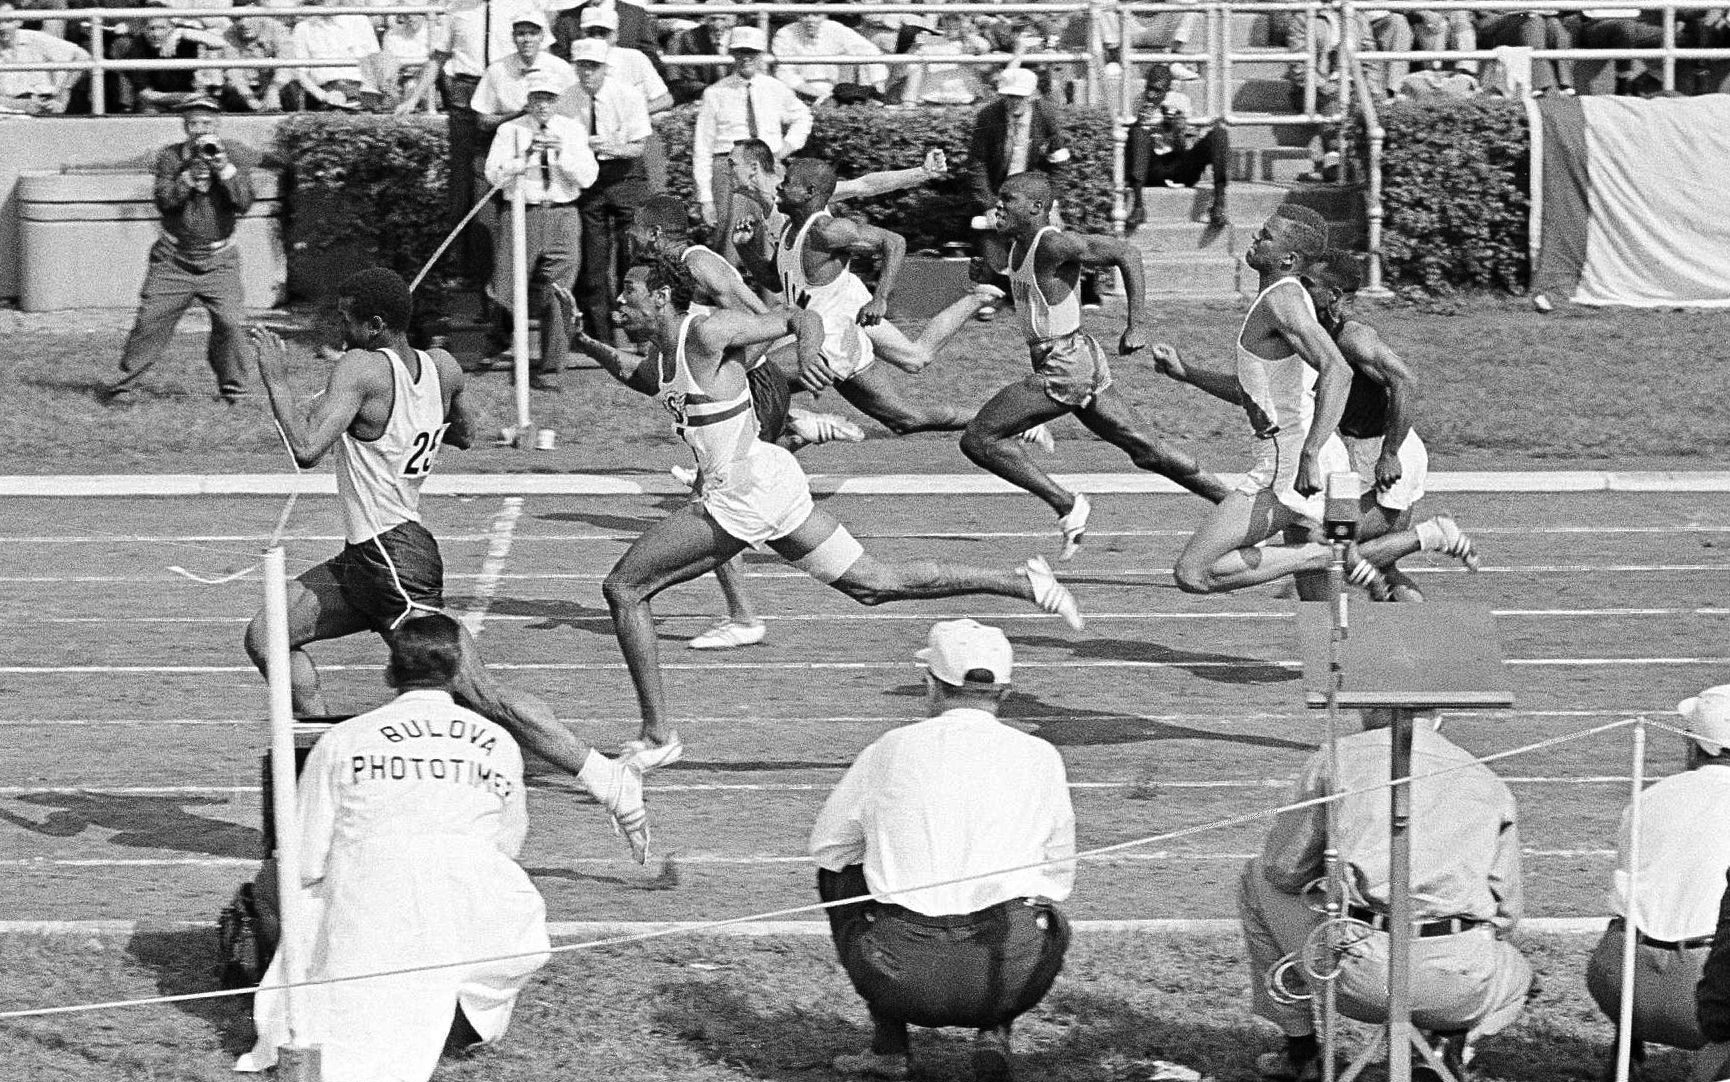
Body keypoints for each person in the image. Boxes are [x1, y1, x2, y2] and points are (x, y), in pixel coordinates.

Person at [593, 260, 1083, 768]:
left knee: (625, 588)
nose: (619, 301)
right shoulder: (665, 352)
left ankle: (657, 737)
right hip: (765, 479)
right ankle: (1023, 582)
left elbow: (800, 319)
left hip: (745, 493)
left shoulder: (710, 329)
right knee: (874, 584)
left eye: (629, 290)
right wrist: (585, 341)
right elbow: (642, 377)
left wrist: (806, 359)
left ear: (662, 296)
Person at [241, 267, 648, 858]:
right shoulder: (445, 366)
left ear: (377, 325)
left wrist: (276, 381)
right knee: (268, 635)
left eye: (350, 321)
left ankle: (608, 780)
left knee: (478, 692)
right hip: (371, 553)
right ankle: (323, 775)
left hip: (392, 558)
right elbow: (466, 435)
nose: (342, 332)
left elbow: (305, 449)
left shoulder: (359, 368)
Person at [236, 615, 552, 1082]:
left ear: (390, 672)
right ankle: (449, 1022)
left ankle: (355, 1009)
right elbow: (509, 841)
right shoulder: (499, 742)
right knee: (502, 916)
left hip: (371, 904)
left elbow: (304, 856)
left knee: (286, 884)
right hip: (472, 904)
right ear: (456, 671)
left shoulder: (343, 738)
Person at [1152, 206, 1473, 595]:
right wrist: (1186, 372)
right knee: (1318, 599)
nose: (1255, 238)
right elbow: (1254, 394)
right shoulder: (1285, 301)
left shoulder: (1283, 299)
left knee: (1194, 571)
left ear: (1287, 258)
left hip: (1290, 462)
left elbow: (1338, 370)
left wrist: (1309, 453)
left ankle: (1332, 554)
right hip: (1305, 456)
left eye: (1265, 236)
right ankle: (1345, 630)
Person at [810, 619, 1075, 1082]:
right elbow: (1058, 877)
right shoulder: (1041, 755)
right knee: (1039, 908)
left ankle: (889, 1048)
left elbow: (830, 848)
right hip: (1008, 981)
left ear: (930, 684)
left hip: (901, 977)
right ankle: (994, 1036)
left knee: (839, 875)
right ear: (1006, 693)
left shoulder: (891, 747)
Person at [1240, 708, 1531, 1082]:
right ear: (1439, 713)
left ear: (1364, 708)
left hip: (1357, 975)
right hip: (1459, 984)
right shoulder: (1487, 780)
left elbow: (1282, 870)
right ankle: (1444, 1048)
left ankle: (1302, 1051)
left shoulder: (1337, 759)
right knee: (1518, 975)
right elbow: (1507, 915)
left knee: (1255, 878)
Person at [958, 172, 1229, 560]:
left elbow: (1126, 254)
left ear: (1036, 208)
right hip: (1078, 356)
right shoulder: (1018, 246)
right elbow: (1040, 296)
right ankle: (1235, 503)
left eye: (1008, 198)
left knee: (979, 439)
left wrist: (1137, 324)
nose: (999, 205)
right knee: (1146, 449)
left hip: (1065, 364)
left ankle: (1067, 505)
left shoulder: (1052, 243)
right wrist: (994, 279)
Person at [732, 155, 1006, 439]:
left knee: (747, 377)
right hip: (829, 338)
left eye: (787, 183)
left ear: (810, 192)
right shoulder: (791, 229)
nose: (779, 187)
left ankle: (804, 428)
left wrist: (880, 298)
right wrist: (747, 248)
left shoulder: (825, 230)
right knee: (907, 419)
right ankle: (1010, 422)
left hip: (832, 341)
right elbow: (773, 280)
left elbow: (894, 242)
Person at [1294, 248, 1456, 602]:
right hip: (1359, 455)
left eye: (1307, 284)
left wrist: (1390, 454)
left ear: (1333, 295)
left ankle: (1431, 534)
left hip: (1389, 455)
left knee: (1331, 545)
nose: (1298, 290)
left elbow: (1406, 381)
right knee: (1376, 564)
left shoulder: (1354, 336)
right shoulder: (1316, 336)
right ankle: (1415, 637)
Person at [1586, 685, 1730, 1074]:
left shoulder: (1649, 797)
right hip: (1703, 997)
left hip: (1620, 984)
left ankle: (1624, 1055)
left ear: (1699, 744)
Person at [101, 98, 253, 406]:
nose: (200, 131)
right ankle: (123, 387)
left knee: (231, 323)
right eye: (194, 123)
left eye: (206, 124)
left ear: (218, 124)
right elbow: (165, 201)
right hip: (173, 259)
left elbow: (244, 202)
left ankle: (233, 390)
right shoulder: (171, 156)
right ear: (184, 125)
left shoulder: (233, 152)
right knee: (150, 320)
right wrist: (187, 178)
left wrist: (223, 168)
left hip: (218, 260)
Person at [397, 0, 541, 283]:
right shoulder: (457, 10)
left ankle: (519, 268)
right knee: (465, 186)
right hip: (467, 93)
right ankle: (468, 272)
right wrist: (413, 99)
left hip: (507, 90)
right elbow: (438, 58)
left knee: (516, 175)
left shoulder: (521, 5)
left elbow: (539, 52)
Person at [482, 68, 596, 390]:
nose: (543, 105)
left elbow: (587, 178)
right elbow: (494, 176)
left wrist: (561, 154)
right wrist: (525, 156)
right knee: (505, 285)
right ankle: (497, 344)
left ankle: (551, 368)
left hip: (562, 214)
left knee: (559, 293)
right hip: (521, 213)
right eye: (537, 98)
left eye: (549, 98)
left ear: (557, 100)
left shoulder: (572, 129)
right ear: (529, 101)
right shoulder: (509, 131)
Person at [691, 26, 811, 256]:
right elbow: (702, 148)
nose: (746, 58)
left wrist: (783, 150)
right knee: (730, 239)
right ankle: (728, 287)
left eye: (752, 52)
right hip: (729, 168)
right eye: (740, 51)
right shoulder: (715, 93)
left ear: (761, 54)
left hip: (766, 166)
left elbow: (803, 116)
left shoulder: (775, 88)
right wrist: (705, 199)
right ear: (732, 54)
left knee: (774, 237)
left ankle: (774, 290)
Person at [567, 36, 651, 342]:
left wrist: (610, 146)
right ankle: (601, 338)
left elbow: (638, 146)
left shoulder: (627, 95)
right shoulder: (568, 97)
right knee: (593, 263)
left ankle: (642, 335)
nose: (587, 72)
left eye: (594, 66)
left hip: (626, 178)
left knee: (634, 260)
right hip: (589, 181)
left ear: (605, 67)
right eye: (582, 66)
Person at [1124, 63, 1230, 229]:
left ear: (1167, 90)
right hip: (1152, 169)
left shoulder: (1180, 101)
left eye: (1157, 90)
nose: (1151, 95)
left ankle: (1218, 203)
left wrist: (1177, 132)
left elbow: (1185, 148)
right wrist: (1141, 123)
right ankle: (1138, 206)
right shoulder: (1139, 101)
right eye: (1149, 88)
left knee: (1219, 133)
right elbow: (1130, 143)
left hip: (1180, 166)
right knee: (1137, 133)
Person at [470, 9, 575, 137]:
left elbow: (574, 115)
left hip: (554, 138)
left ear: (542, 36)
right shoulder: (496, 70)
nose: (527, 39)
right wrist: (519, 115)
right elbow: (482, 121)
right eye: (521, 34)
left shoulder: (561, 68)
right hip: (509, 138)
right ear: (513, 37)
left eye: (533, 33)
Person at [770, 11, 887, 104]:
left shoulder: (834, 28)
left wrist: (878, 87)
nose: (810, 20)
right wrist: (817, 93)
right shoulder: (785, 34)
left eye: (816, 14)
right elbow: (784, 74)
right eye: (805, 15)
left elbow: (869, 51)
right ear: (798, 15)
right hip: (795, 93)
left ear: (824, 15)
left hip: (829, 92)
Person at [287, 0, 381, 110]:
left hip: (361, 91)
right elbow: (301, 74)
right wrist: (324, 96)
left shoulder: (360, 21)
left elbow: (375, 63)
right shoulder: (303, 28)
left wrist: (367, 94)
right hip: (325, 94)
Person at [0, 2, 88, 114]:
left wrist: (62, 95)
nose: (2, 27)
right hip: (9, 112)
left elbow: (82, 56)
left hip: (46, 106)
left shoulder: (34, 38)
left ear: (19, 21)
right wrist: (21, 105)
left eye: (8, 21)